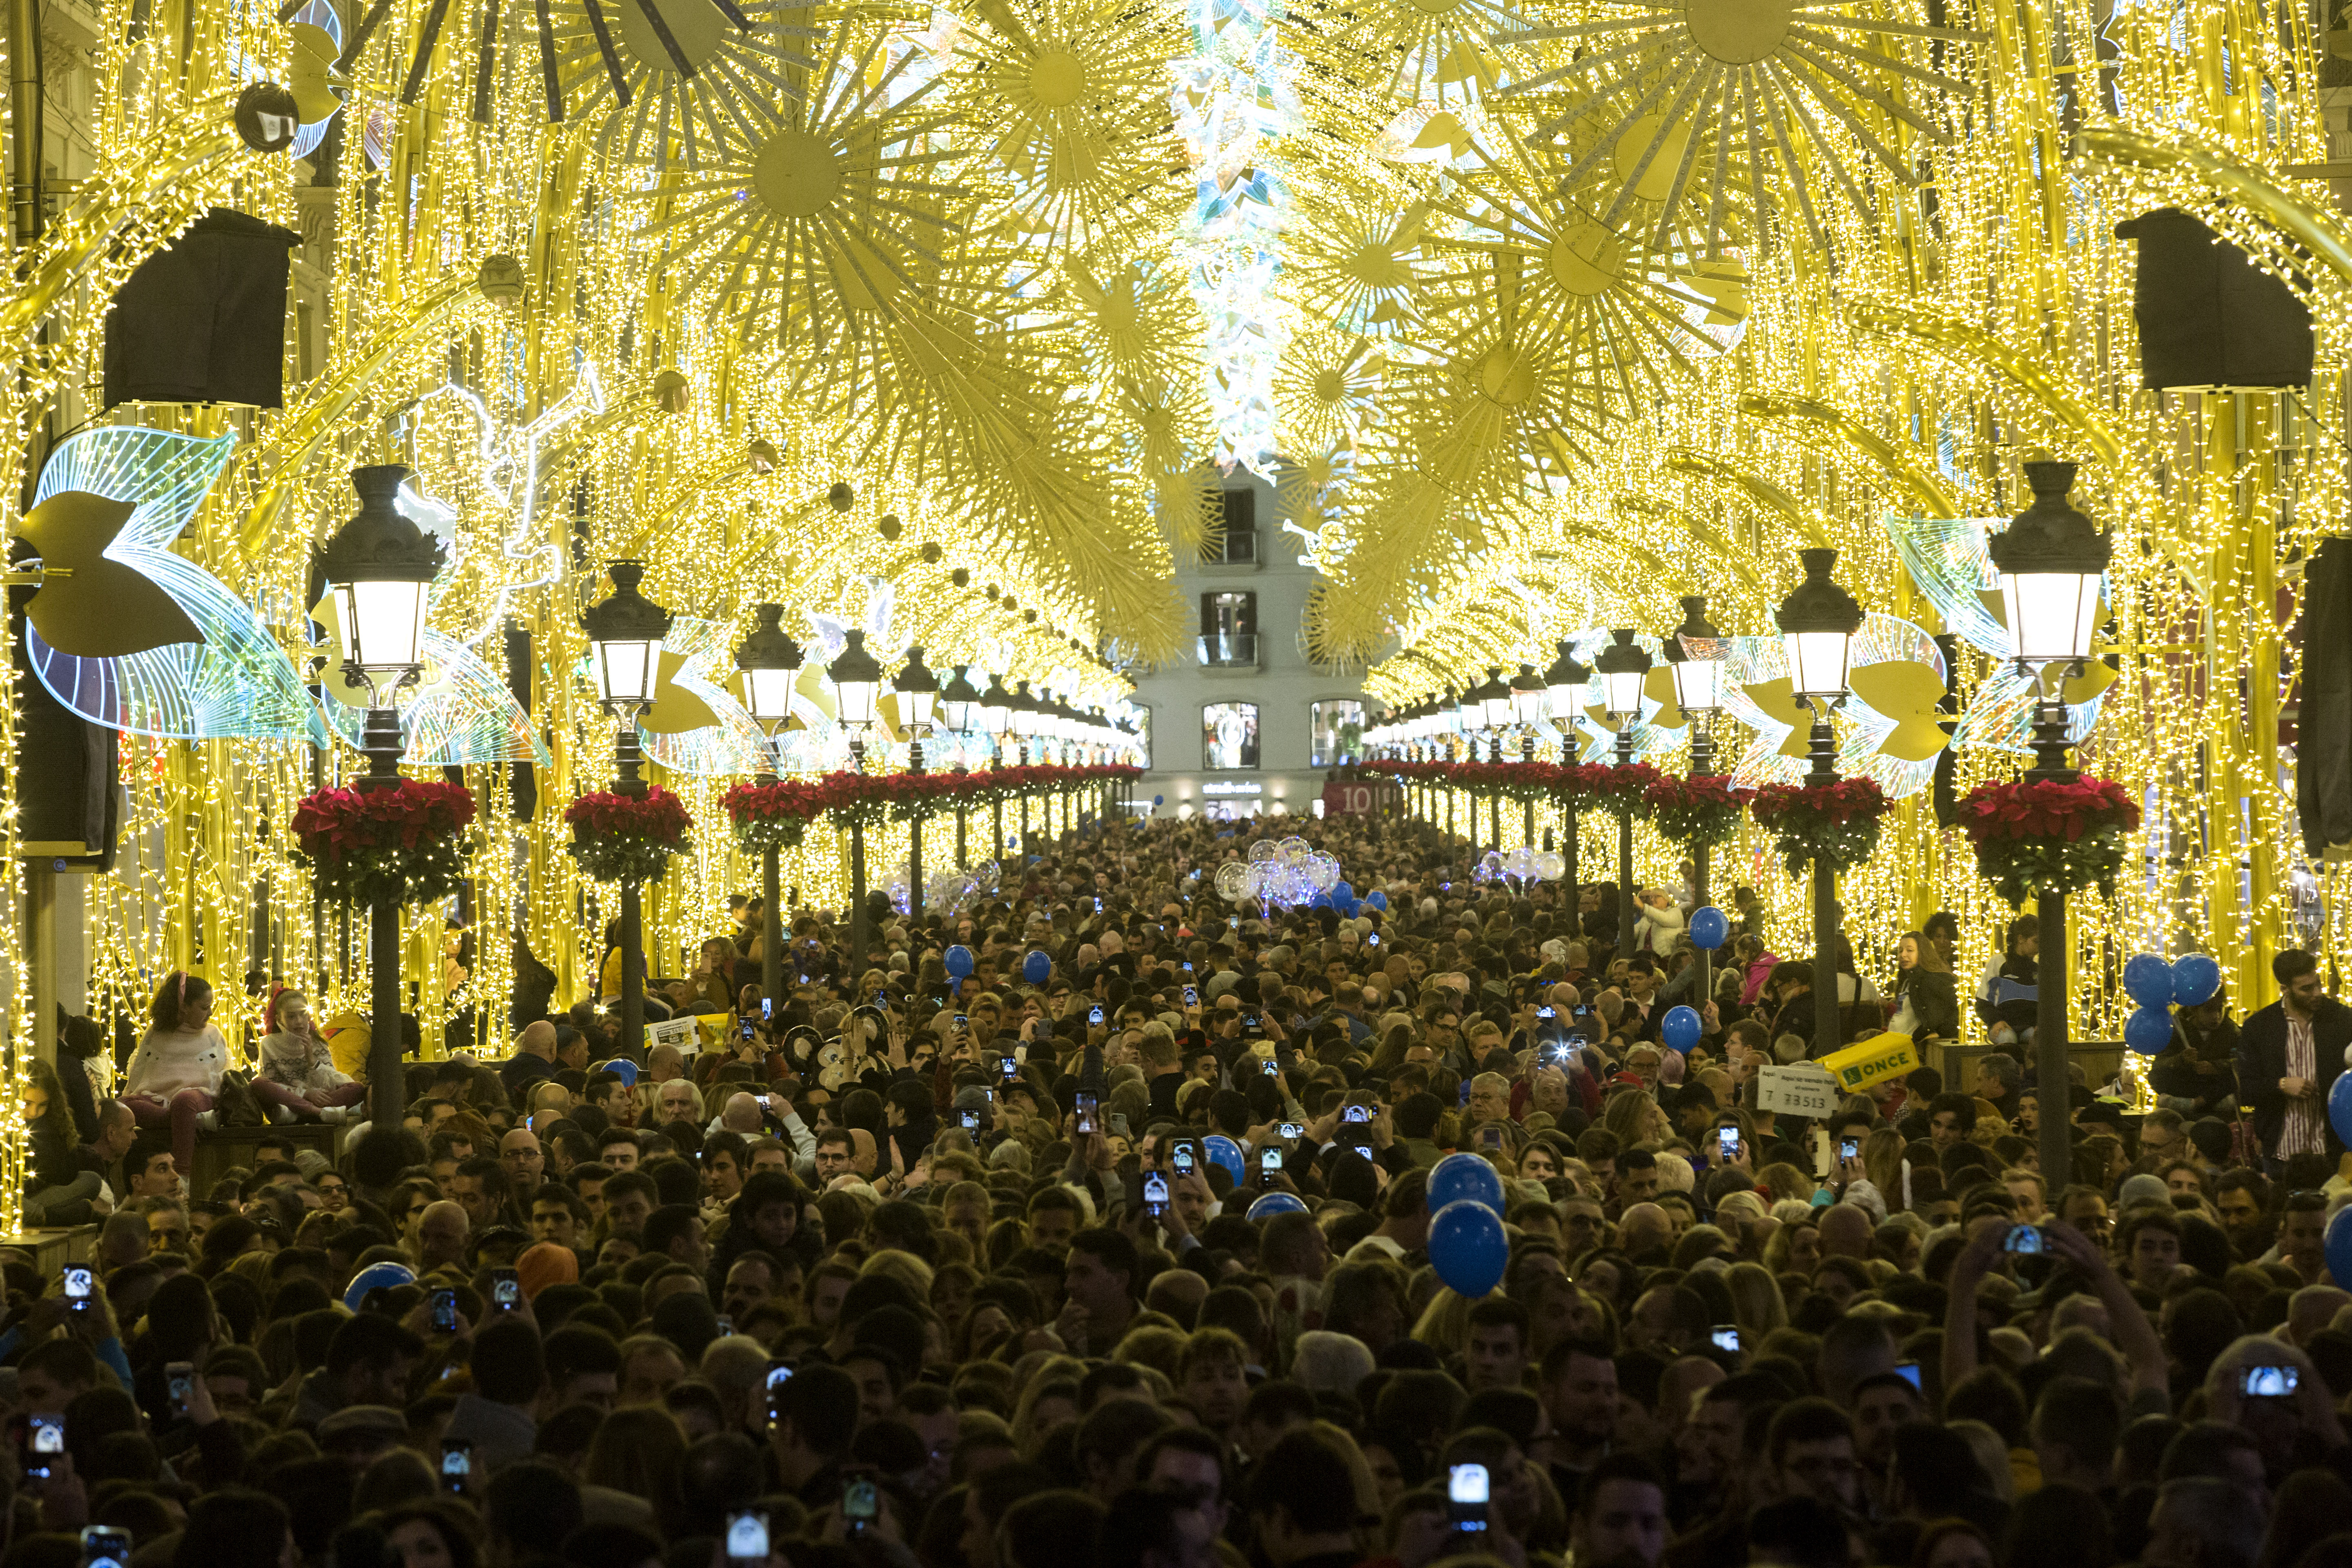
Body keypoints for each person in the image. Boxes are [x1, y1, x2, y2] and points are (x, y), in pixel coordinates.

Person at [2236, 949, 2352, 1171]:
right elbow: (2246, 1089)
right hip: (2280, 1151)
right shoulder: (2259, 1027)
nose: (2317, 993)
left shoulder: (2342, 1020)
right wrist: (2281, 1085)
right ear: (2285, 989)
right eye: (2306, 989)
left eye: (2318, 984)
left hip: (2332, 1149)